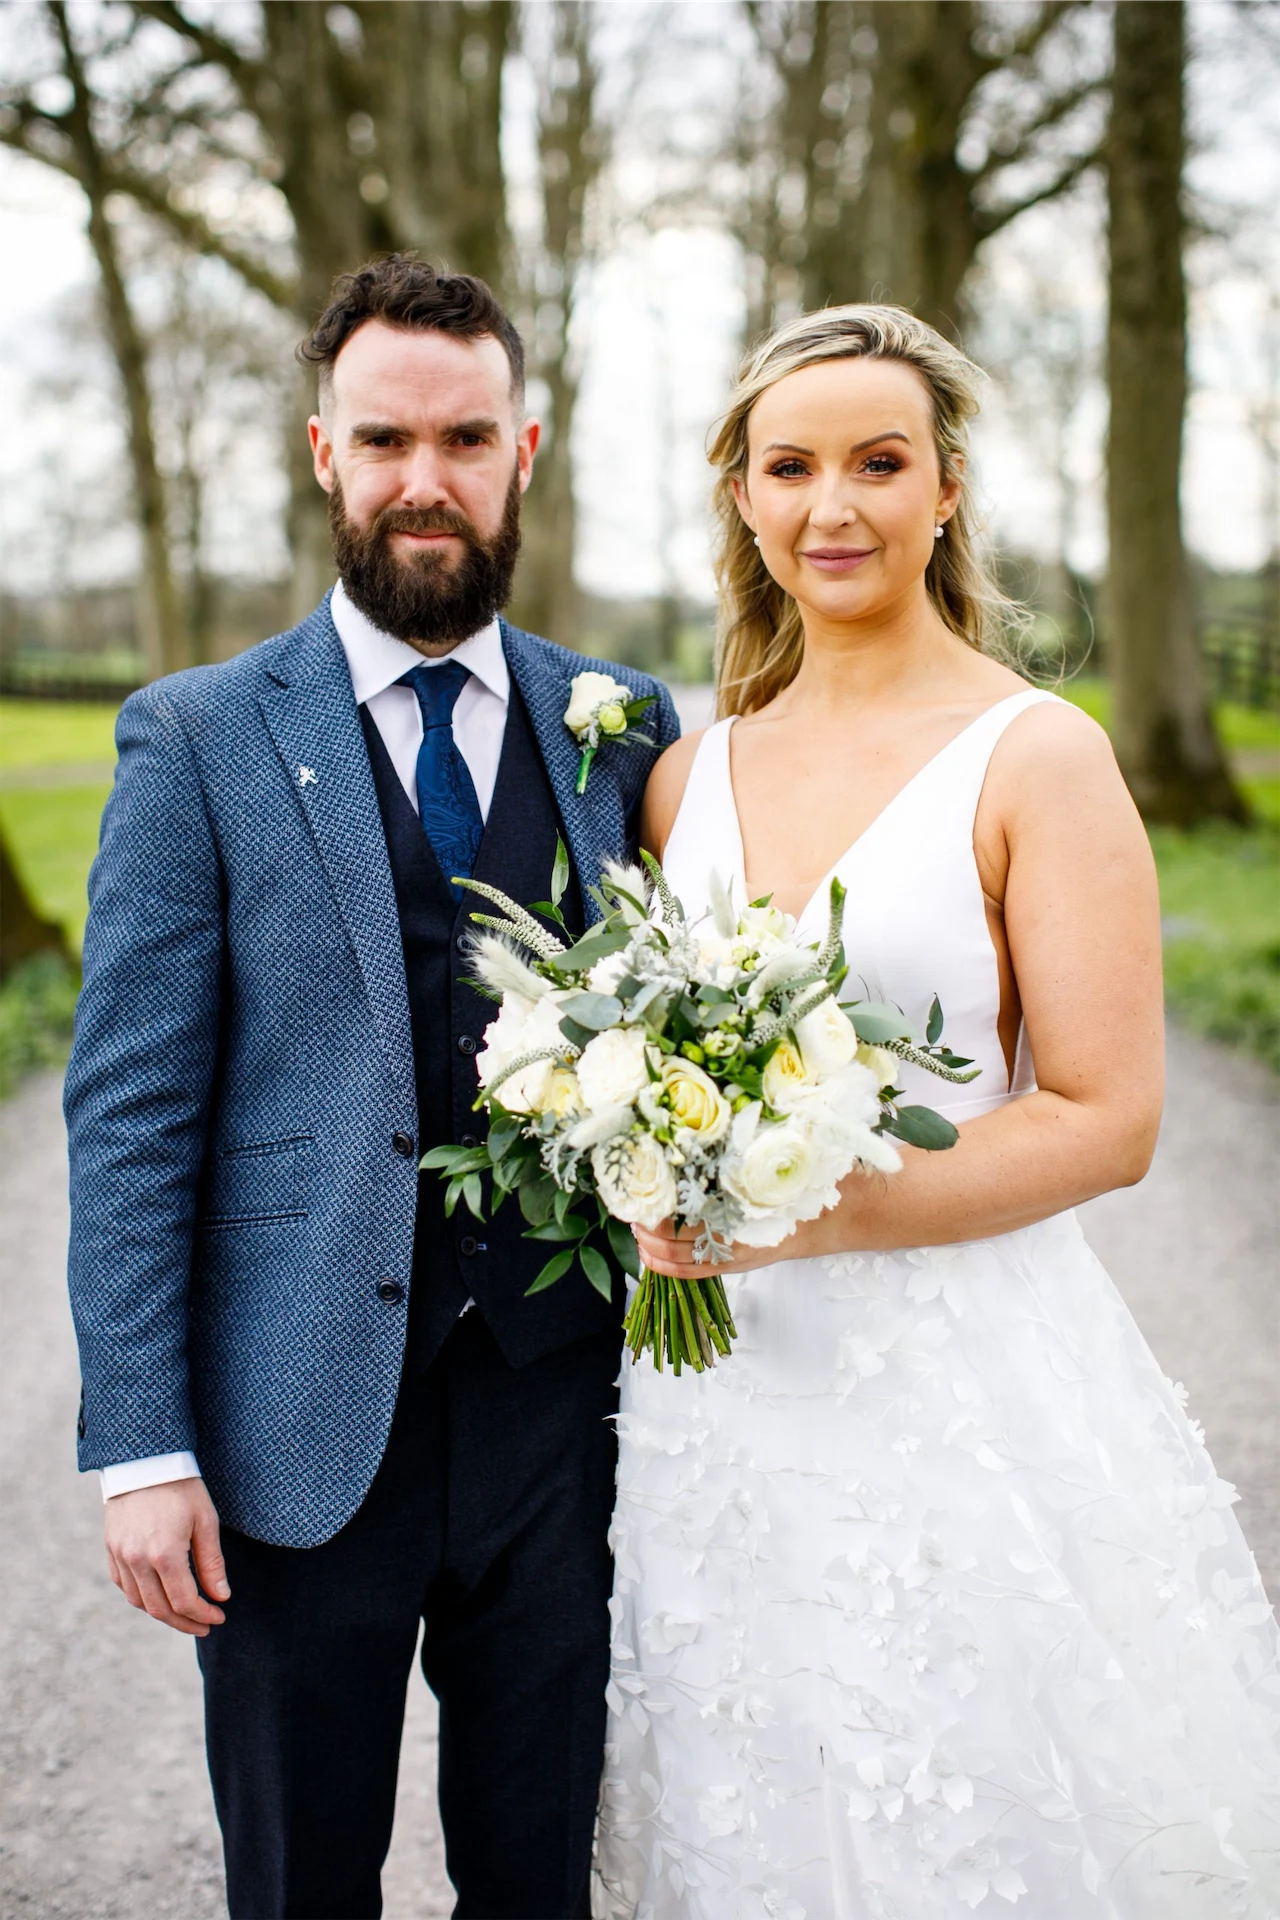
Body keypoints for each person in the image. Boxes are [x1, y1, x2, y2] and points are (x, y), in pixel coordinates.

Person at [594, 305, 1280, 1916]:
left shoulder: (1037, 758)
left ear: (948, 488)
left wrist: (819, 1214)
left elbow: (1108, 1116)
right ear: (744, 498)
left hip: (956, 1386)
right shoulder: (689, 777)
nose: (833, 507)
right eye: (791, 468)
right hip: (718, 1397)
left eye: (880, 463)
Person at [63, 253, 678, 1919]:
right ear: (324, 453)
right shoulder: (196, 736)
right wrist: (141, 1444)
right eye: (386, 439)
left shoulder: (622, 726)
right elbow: (130, 1113)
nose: (426, 479)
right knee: (301, 1883)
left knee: (540, 1880)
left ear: (522, 454)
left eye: (465, 439)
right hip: (296, 1416)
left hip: (566, 1409)